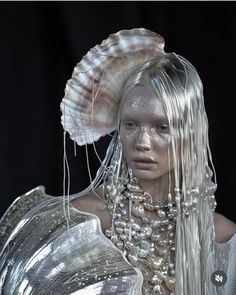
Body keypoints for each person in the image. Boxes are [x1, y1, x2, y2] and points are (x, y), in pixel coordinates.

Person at [0, 28, 236, 295]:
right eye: (131, 124)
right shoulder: (70, 227)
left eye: (162, 127)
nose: (142, 142)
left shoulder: (222, 238)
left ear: (192, 133)